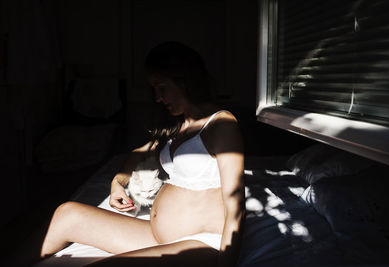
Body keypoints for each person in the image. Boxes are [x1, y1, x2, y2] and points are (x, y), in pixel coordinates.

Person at [19, 41, 245, 267]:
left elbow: (235, 204)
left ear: (184, 80)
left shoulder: (221, 124)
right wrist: (119, 181)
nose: (157, 97)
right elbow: (139, 153)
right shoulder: (181, 126)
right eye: (154, 90)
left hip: (202, 243)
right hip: (162, 236)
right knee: (66, 214)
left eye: (161, 87)